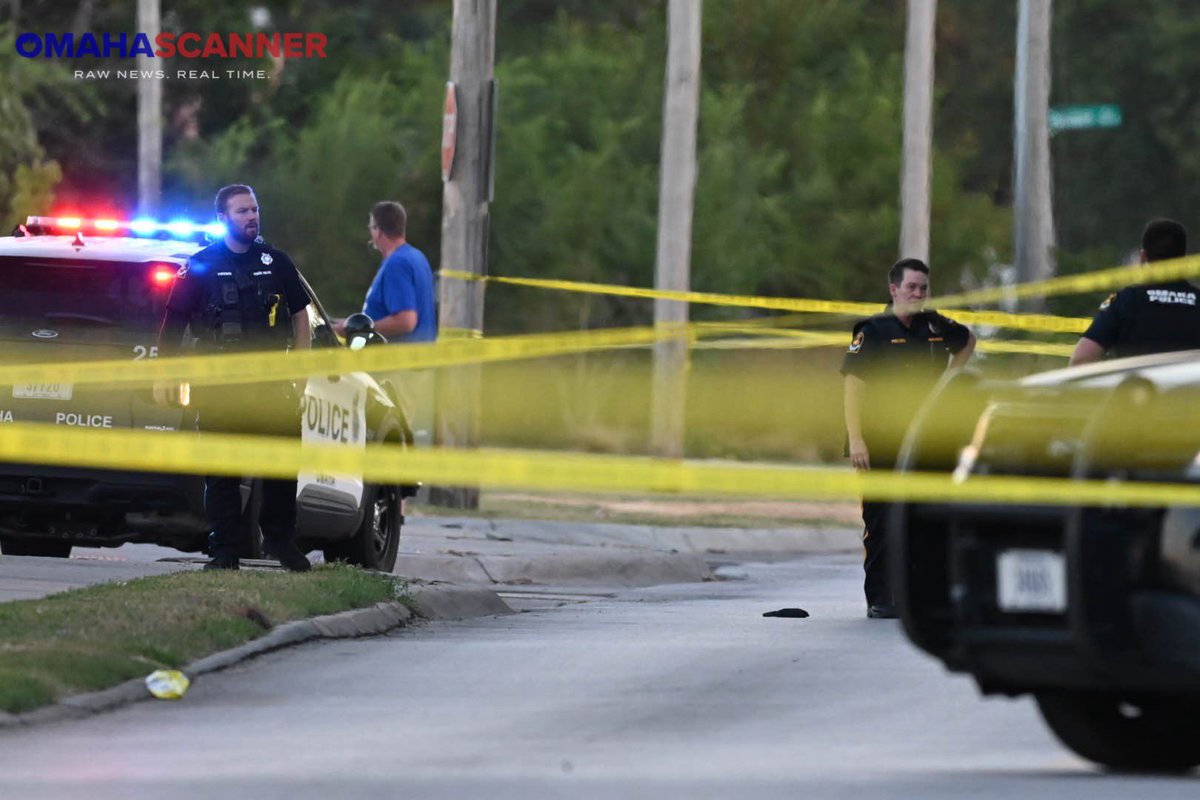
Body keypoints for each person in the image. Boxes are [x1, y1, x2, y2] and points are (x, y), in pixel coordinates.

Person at [155, 184, 313, 572]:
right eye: (242, 211)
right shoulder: (202, 264)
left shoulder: (275, 262)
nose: (252, 217)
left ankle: (280, 541)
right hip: (220, 384)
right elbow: (173, 324)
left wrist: (302, 370)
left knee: (280, 466)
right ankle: (224, 550)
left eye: (255, 209)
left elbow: (299, 315)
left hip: (271, 383)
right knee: (223, 473)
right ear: (223, 218)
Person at [841, 258, 976, 619]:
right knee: (882, 522)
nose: (918, 293)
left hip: (924, 439)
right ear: (894, 289)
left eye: (923, 288)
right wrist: (856, 440)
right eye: (912, 287)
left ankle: (923, 598)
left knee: (927, 518)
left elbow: (967, 341)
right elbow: (853, 387)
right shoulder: (873, 331)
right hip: (879, 440)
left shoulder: (933, 325)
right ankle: (882, 599)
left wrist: (950, 381)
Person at [334, 201, 437, 443]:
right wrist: (349, 322)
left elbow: (406, 319)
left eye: (371, 227)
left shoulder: (397, 264)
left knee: (392, 436)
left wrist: (359, 328)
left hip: (399, 370)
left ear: (378, 230)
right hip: (415, 367)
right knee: (403, 435)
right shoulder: (416, 257)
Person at [1070, 219, 1200, 365]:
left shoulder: (1126, 301)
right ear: (1185, 261)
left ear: (1143, 258)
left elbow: (1081, 359)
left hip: (1135, 386)